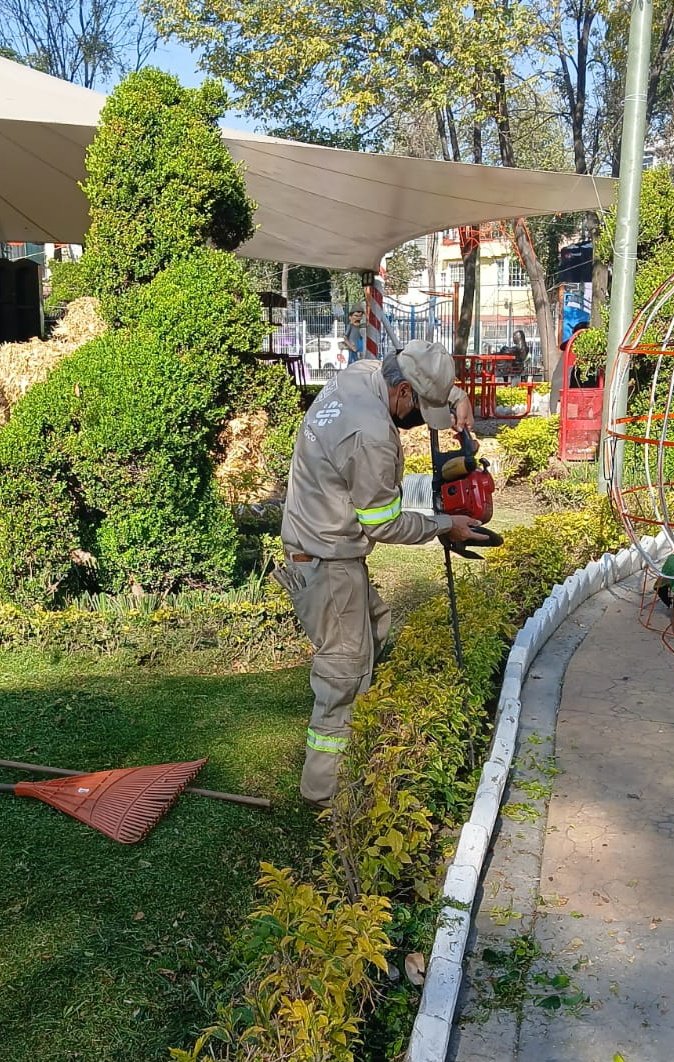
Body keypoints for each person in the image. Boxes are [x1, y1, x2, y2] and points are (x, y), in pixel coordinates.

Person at [274, 339, 489, 807]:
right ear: (404, 394)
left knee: (375, 626)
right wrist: (445, 525)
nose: (416, 423)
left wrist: (456, 399)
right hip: (328, 563)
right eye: (420, 410)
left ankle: (363, 741)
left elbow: (413, 374)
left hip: (322, 548)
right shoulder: (370, 436)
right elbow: (384, 522)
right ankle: (326, 795)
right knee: (344, 673)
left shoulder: (363, 374)